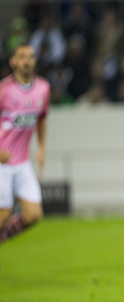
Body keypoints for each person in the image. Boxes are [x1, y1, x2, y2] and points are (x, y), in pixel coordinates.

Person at [0, 44, 50, 246]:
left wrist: (41, 147)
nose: (26, 61)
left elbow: (41, 119)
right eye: (22, 57)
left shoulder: (43, 88)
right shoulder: (4, 90)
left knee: (33, 214)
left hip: (22, 163)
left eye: (30, 57)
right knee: (3, 212)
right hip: (2, 163)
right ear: (13, 61)